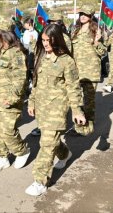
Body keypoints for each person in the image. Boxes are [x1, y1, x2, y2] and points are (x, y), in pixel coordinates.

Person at [25, 24, 86, 196]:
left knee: (46, 144)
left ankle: (40, 180)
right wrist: (31, 103)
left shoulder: (67, 61)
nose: (45, 44)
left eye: (48, 40)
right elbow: (35, 84)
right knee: (51, 140)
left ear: (56, 40)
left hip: (57, 108)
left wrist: (76, 110)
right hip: (42, 107)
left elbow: (73, 87)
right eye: (43, 40)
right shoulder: (42, 57)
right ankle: (65, 154)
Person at [0, 25, 30, 174]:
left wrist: (12, 98)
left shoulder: (16, 53)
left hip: (8, 101)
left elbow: (20, 78)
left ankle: (22, 151)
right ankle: (2, 158)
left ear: (5, 36)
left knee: (7, 131)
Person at [70, 8, 106, 136]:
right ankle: (79, 126)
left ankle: (89, 124)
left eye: (85, 14)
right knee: (76, 100)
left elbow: (103, 52)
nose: (83, 16)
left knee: (89, 102)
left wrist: (97, 42)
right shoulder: (75, 30)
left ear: (90, 16)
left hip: (91, 72)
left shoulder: (96, 30)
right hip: (76, 71)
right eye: (81, 14)